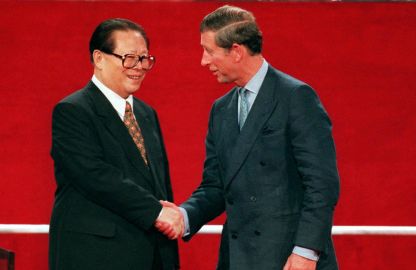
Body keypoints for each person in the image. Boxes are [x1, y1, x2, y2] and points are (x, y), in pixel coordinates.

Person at [160, 5, 340, 270]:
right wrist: (184, 216)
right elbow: (216, 186)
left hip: (289, 259)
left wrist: (306, 252)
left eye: (209, 51)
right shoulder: (220, 110)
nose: (203, 61)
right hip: (238, 259)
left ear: (236, 51)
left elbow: (322, 185)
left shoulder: (296, 98)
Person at [49, 18, 182, 270]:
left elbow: (158, 185)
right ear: (99, 58)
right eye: (129, 58)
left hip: (150, 255)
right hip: (96, 256)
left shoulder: (146, 113)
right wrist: (155, 211)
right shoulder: (73, 111)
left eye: (144, 59)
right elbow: (94, 175)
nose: (139, 67)